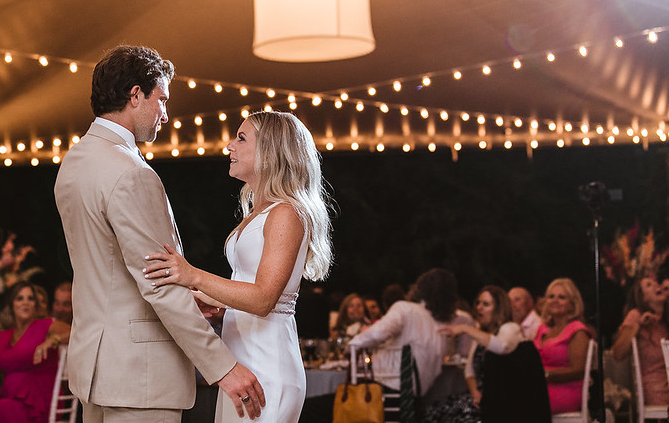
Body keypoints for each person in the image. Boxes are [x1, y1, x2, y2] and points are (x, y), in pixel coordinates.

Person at [54, 45, 264, 422]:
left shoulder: (74, 163)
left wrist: (193, 297)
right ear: (136, 95)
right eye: (162, 100)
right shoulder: (131, 172)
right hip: (141, 375)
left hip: (95, 370)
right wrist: (223, 368)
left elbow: (110, 267)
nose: (165, 115)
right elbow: (159, 281)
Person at [143, 110, 333, 423]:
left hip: (268, 364)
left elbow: (263, 299)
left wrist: (192, 275)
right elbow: (248, 287)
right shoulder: (263, 213)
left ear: (270, 151)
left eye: (241, 138)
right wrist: (214, 300)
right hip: (242, 360)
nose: (230, 146)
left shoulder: (286, 213)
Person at [348, 269, 471, 409]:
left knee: (322, 405)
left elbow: (376, 334)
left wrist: (351, 345)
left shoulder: (406, 309)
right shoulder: (442, 328)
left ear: (419, 288)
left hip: (384, 392)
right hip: (417, 398)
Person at [0, 281, 71, 423]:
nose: (25, 303)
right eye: (20, 298)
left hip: (38, 401)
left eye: (30, 298)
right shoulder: (2, 337)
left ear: (35, 304)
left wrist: (53, 341)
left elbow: (76, 332)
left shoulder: (45, 326)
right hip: (9, 397)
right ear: (11, 305)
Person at [434, 286, 529, 422]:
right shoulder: (480, 335)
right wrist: (475, 392)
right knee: (436, 409)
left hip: (503, 400)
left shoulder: (510, 328)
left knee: (456, 414)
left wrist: (464, 328)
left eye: (486, 304)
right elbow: (469, 371)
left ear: (498, 308)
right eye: (478, 303)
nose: (479, 307)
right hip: (480, 398)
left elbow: (501, 347)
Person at [533, 278, 592, 414]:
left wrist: (546, 374)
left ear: (572, 304)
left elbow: (578, 370)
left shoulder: (577, 331)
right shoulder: (542, 330)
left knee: (516, 402)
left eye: (562, 297)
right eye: (551, 296)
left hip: (565, 390)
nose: (555, 300)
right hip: (540, 388)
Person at [611, 276, 669, 405]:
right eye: (649, 285)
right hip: (657, 388)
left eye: (656, 282)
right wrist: (638, 325)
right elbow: (618, 353)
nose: (656, 286)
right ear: (643, 298)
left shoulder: (665, 320)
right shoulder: (636, 315)